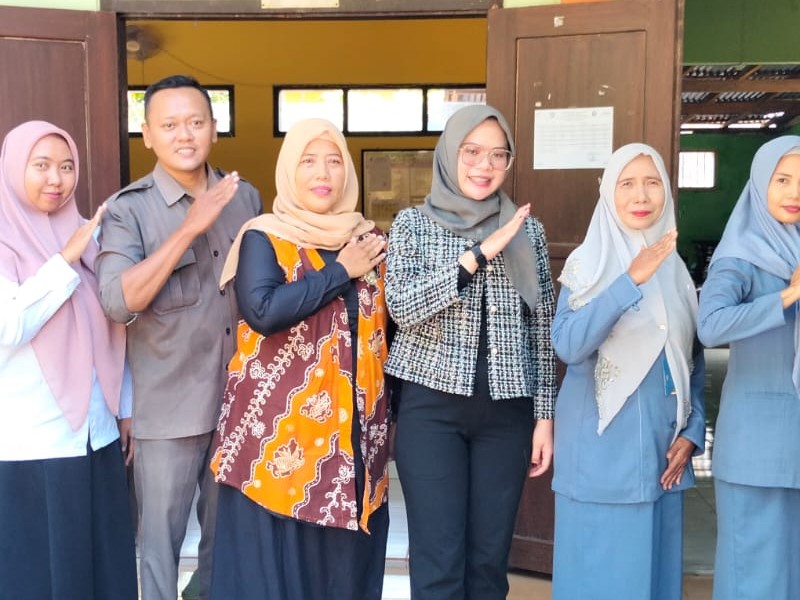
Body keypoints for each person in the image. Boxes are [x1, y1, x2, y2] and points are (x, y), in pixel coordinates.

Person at [209, 118, 390, 600]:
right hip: (277, 442)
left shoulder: (368, 239)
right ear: (289, 169)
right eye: (308, 161)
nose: (322, 173)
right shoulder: (263, 236)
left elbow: (385, 330)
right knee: (280, 575)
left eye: (333, 160)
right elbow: (264, 311)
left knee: (341, 574)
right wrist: (340, 270)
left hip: (353, 439)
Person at [96, 75, 262, 600]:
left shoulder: (245, 197)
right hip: (167, 411)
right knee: (158, 549)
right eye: (169, 125)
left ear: (214, 127)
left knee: (228, 544)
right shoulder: (127, 210)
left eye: (195, 122)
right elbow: (118, 301)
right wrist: (190, 226)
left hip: (238, 404)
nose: (184, 134)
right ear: (147, 135)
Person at [383, 104, 556, 600]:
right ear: (449, 154)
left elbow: (542, 326)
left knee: (488, 563)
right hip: (431, 411)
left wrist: (544, 417)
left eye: (498, 155)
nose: (485, 165)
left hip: (507, 413)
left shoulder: (528, 230)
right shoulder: (412, 224)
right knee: (439, 560)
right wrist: (477, 256)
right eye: (472, 152)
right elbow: (402, 307)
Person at [550, 143, 705, 600]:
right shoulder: (587, 264)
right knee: (601, 581)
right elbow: (568, 345)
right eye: (628, 184)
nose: (641, 195)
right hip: (601, 460)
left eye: (652, 182)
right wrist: (629, 281)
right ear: (608, 193)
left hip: (662, 457)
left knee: (653, 582)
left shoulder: (675, 272)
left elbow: (691, 360)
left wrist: (693, 430)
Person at [0, 120, 137, 599]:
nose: (55, 179)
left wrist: (125, 405)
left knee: (102, 571)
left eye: (65, 167)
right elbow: (9, 328)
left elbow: (112, 326)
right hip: (34, 442)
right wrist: (63, 261)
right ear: (14, 169)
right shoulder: (6, 240)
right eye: (41, 166)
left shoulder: (85, 235)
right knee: (41, 577)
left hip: (96, 434)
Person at [697, 135, 800, 600]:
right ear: (760, 184)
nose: (794, 192)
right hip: (757, 446)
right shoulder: (739, 257)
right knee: (754, 579)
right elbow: (711, 326)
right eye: (782, 180)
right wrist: (787, 295)